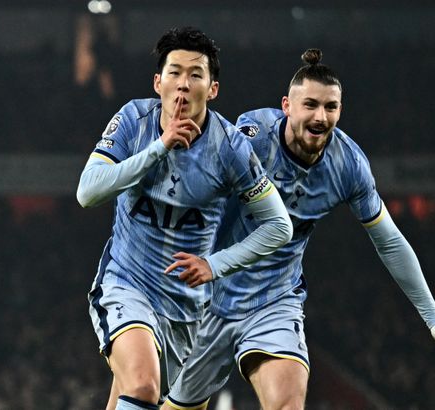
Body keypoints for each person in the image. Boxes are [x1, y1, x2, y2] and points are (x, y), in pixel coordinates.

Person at [163, 49, 435, 410]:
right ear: (287, 106)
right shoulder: (254, 138)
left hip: (274, 302)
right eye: (310, 105)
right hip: (206, 297)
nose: (321, 117)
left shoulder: (348, 165)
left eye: (330, 107)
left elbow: (389, 242)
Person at [76, 27, 293, 410]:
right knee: (142, 385)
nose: (183, 84)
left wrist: (216, 264)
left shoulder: (230, 147)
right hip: (126, 283)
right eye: (174, 72)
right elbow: (88, 192)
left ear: (212, 89)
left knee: (136, 395)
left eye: (196, 74)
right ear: (158, 83)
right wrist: (159, 148)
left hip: (187, 312)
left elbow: (279, 226)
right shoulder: (134, 120)